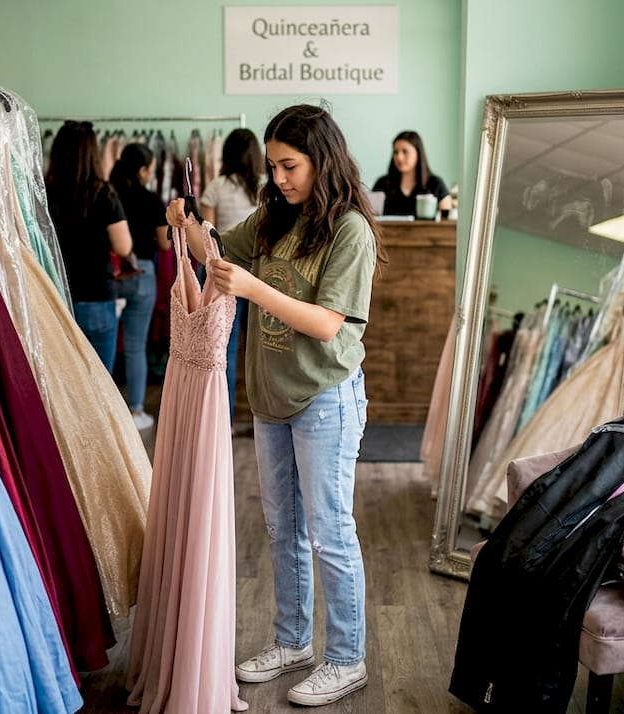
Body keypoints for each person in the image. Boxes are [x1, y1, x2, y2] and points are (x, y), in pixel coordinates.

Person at [167, 103, 385, 708]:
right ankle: (292, 642)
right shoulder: (271, 218)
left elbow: (325, 323)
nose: (281, 177)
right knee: (282, 528)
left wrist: (254, 286)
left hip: (325, 397)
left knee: (330, 532)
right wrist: (187, 224)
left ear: (323, 159)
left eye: (290, 166)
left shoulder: (350, 231)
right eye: (273, 166)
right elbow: (216, 255)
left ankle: (348, 658)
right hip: (269, 399)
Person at [46, 121, 133, 371]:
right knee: (100, 383)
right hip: (97, 297)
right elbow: (124, 247)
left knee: (63, 381)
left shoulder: (43, 192)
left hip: (55, 296)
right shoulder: (104, 194)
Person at [199, 127, 265, 423]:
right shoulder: (267, 185)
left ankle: (222, 418)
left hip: (224, 273)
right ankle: (261, 415)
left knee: (223, 348)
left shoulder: (216, 186)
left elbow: (207, 239)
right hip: (260, 275)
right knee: (261, 349)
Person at [110, 142, 170, 430]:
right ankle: (135, 410)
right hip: (142, 274)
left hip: (109, 274)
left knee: (101, 346)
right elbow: (164, 243)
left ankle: (104, 409)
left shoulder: (108, 193)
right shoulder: (151, 200)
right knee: (135, 346)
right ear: (143, 170)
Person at [371, 130, 452, 216]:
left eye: (405, 152)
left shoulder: (436, 184)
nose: (399, 157)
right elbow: (370, 217)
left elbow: (446, 222)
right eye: (396, 152)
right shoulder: (382, 184)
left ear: (418, 153)